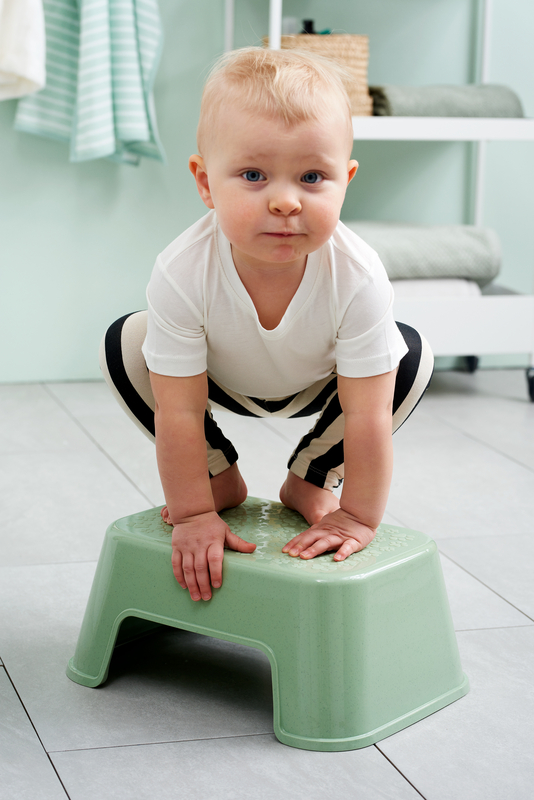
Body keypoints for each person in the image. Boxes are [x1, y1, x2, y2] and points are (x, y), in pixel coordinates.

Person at [100, 47, 433, 603]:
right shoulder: (182, 270)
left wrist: (358, 516)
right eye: (253, 175)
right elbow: (180, 410)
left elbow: (368, 415)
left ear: (345, 180)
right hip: (217, 383)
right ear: (206, 183)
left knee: (408, 355)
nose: (284, 201)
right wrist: (192, 514)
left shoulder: (358, 275)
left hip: (320, 389)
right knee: (128, 342)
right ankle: (216, 475)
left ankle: (311, 475)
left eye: (311, 177)